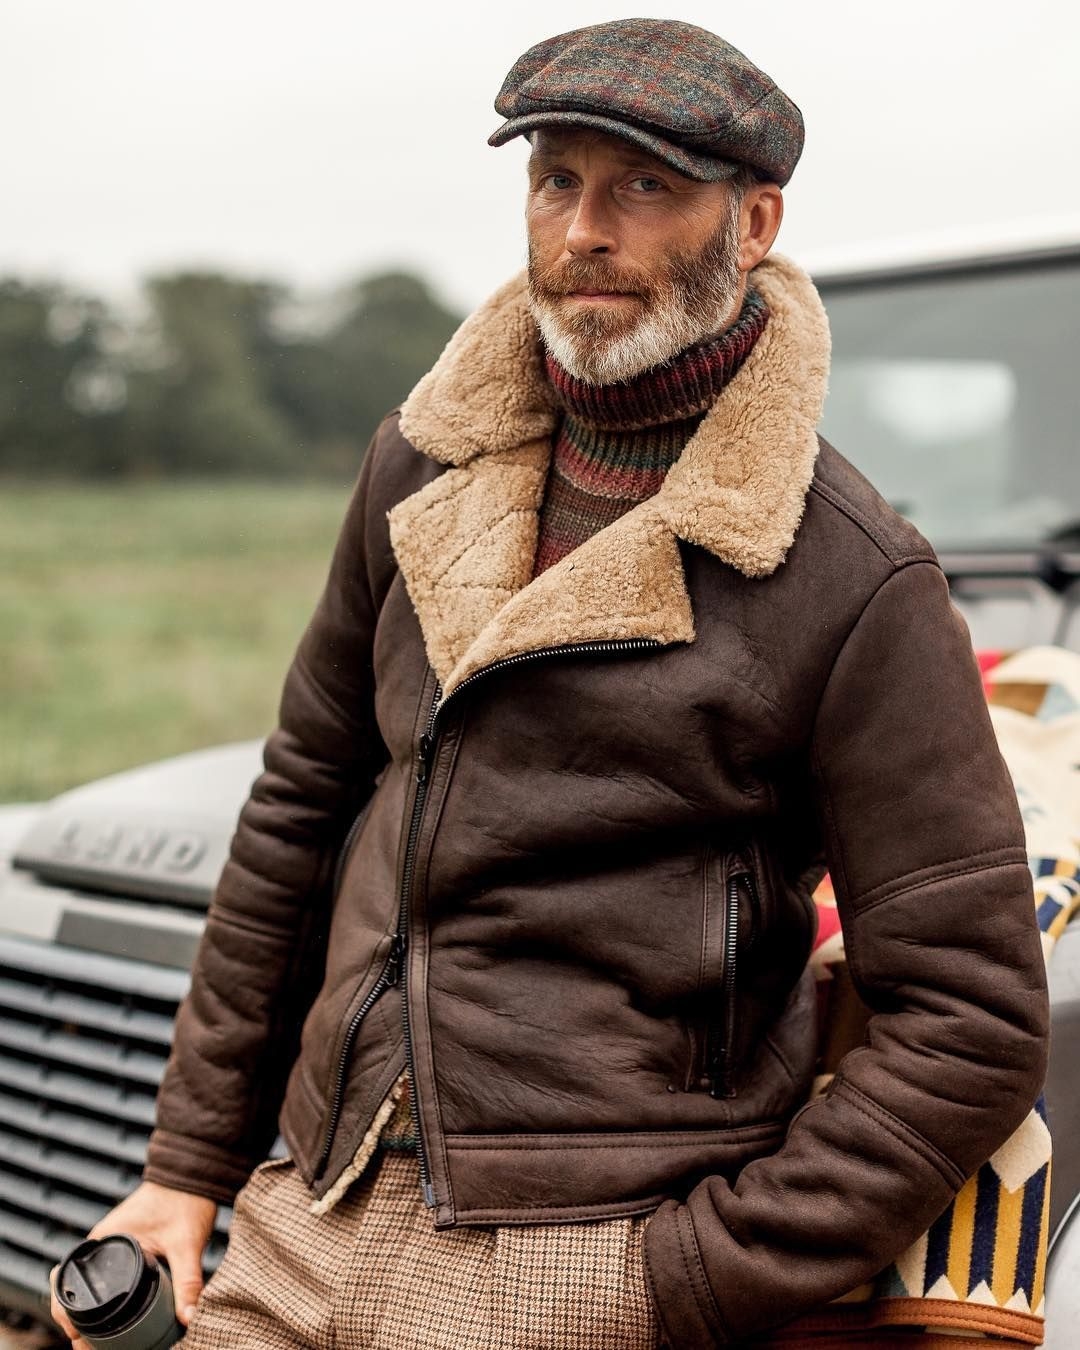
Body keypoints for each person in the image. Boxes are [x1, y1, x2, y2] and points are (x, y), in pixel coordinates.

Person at [52, 18, 1049, 1350]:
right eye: (556, 179)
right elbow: (298, 810)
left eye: (644, 186)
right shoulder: (415, 466)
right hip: (307, 1211)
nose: (585, 230)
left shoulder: (853, 573)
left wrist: (688, 1275)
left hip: (590, 1244)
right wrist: (186, 1168)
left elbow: (973, 1016)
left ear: (753, 223)